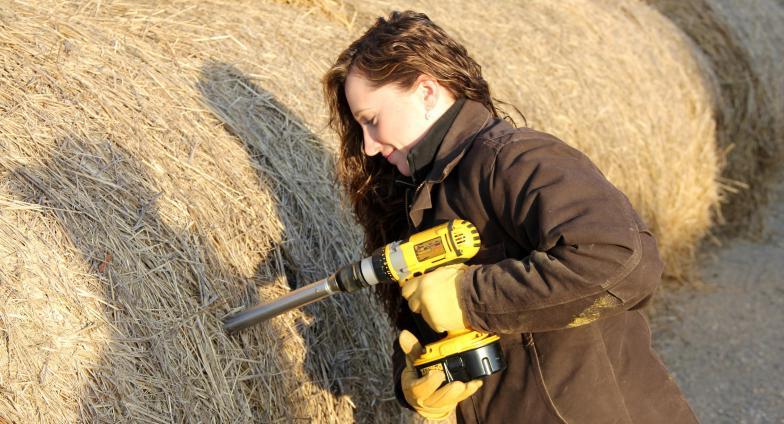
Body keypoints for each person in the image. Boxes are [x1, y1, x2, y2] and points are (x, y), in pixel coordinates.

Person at [323, 10, 697, 424]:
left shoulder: (516, 158)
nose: (370, 147)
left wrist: (468, 298)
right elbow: (441, 320)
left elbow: (624, 261)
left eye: (371, 121)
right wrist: (417, 381)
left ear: (427, 92)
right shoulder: (423, 200)